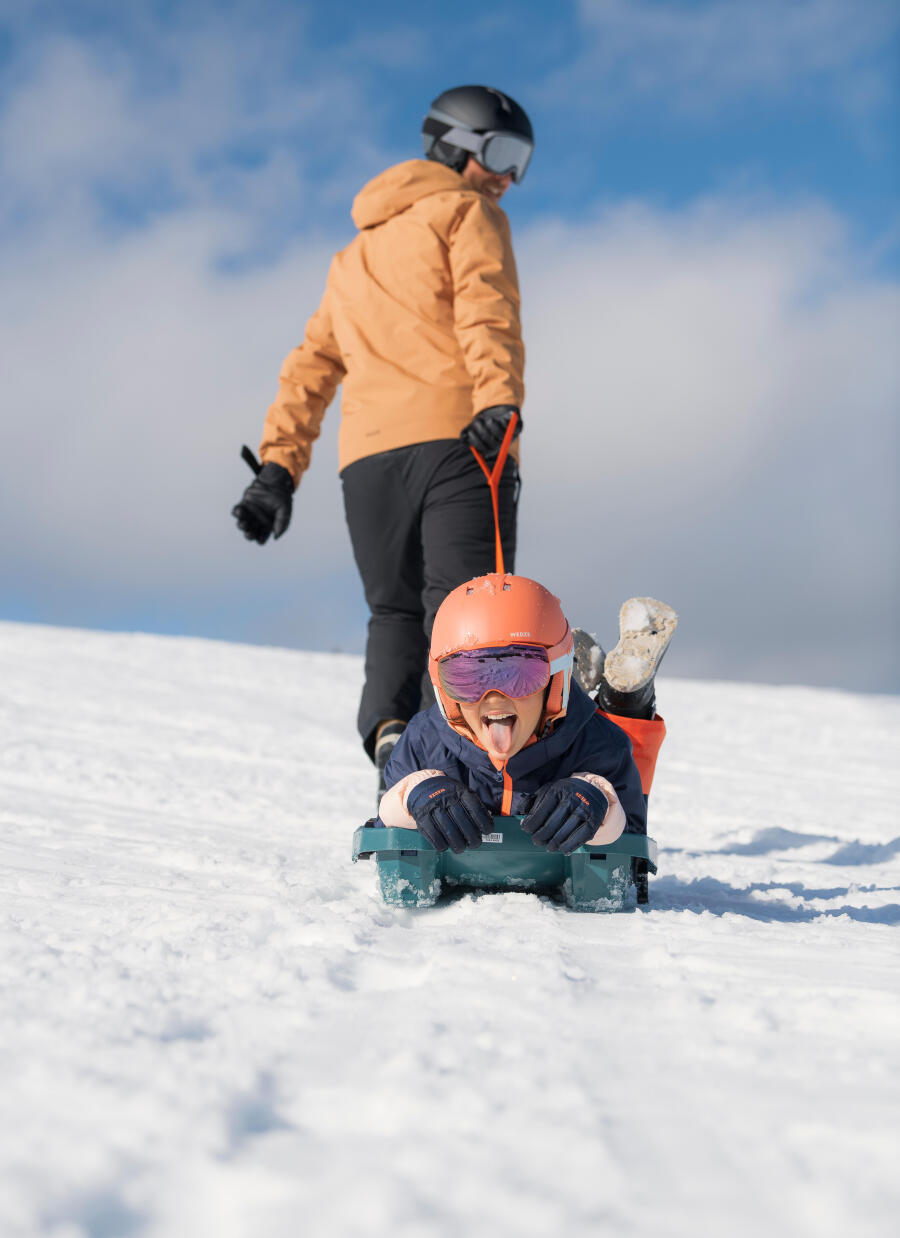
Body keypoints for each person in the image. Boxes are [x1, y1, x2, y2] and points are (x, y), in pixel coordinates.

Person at [231, 85, 534, 792]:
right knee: (469, 610)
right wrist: (498, 403)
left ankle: (398, 750)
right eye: (501, 153)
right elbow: (488, 310)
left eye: (521, 160)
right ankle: (457, 783)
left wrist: (278, 467)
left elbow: (310, 367)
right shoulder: (468, 213)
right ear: (456, 145)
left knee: (394, 612)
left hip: (367, 463)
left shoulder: (352, 259)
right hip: (459, 442)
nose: (509, 177)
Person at [377, 574, 676, 856]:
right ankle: (613, 696)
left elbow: (632, 847)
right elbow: (381, 831)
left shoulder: (598, 742)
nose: (493, 696)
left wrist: (597, 803)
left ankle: (625, 702)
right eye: (467, 678)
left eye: (519, 675)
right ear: (444, 689)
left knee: (611, 735)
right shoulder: (425, 739)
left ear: (555, 681)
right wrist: (412, 796)